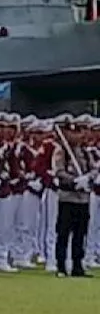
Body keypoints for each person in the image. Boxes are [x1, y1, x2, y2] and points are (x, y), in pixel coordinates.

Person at [51, 117, 91, 278]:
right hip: (67, 197)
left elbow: (94, 168)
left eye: (79, 132)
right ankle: (61, 266)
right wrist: (74, 180)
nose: (78, 136)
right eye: (74, 133)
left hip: (83, 199)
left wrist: (88, 178)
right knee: (63, 232)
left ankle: (77, 265)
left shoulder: (85, 152)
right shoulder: (62, 151)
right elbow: (59, 171)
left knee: (80, 234)